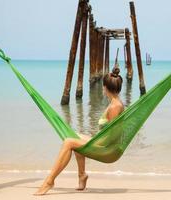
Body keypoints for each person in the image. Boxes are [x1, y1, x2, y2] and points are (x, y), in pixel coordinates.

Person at [34, 67, 124, 195]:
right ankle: (82, 176)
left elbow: (112, 135)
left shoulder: (115, 107)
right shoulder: (116, 103)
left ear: (105, 87)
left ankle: (50, 181)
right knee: (74, 136)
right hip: (103, 142)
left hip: (107, 148)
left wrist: (94, 143)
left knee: (69, 142)